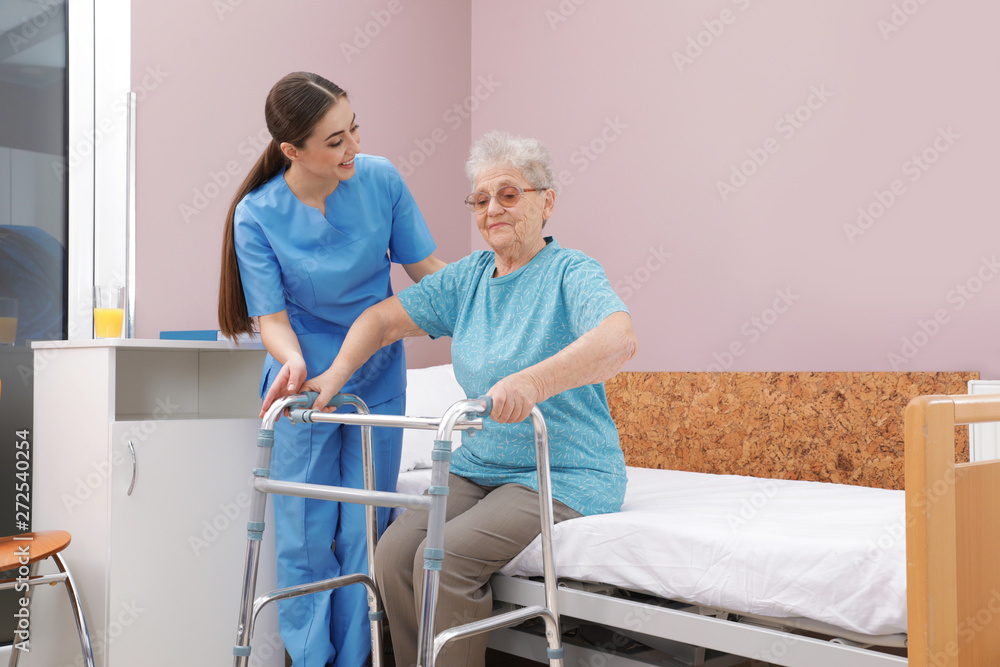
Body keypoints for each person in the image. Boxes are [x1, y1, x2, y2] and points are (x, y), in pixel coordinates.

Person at [261, 130, 638, 667]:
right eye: (481, 200)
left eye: (509, 194)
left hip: (562, 468)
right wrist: (335, 375)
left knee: (449, 555)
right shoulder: (468, 279)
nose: (492, 210)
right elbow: (382, 319)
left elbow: (618, 339)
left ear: (546, 202)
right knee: (393, 553)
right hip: (482, 462)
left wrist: (533, 382)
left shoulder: (571, 272)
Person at [218, 72, 445, 667]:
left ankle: (359, 657)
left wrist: (489, 296)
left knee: (368, 529)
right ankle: (310, 659)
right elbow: (269, 317)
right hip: (305, 388)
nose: (352, 148)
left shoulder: (380, 179)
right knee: (305, 535)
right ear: (292, 151)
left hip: (377, 377)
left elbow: (427, 271)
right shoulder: (257, 214)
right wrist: (291, 361)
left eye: (354, 129)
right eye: (335, 140)